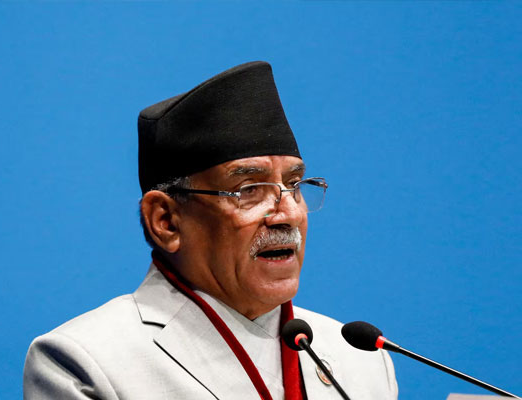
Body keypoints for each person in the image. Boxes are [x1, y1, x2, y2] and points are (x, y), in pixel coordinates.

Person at [23, 61, 398, 399]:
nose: (285, 214)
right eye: (249, 189)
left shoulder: (362, 360)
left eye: (295, 185)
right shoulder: (85, 361)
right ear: (166, 221)